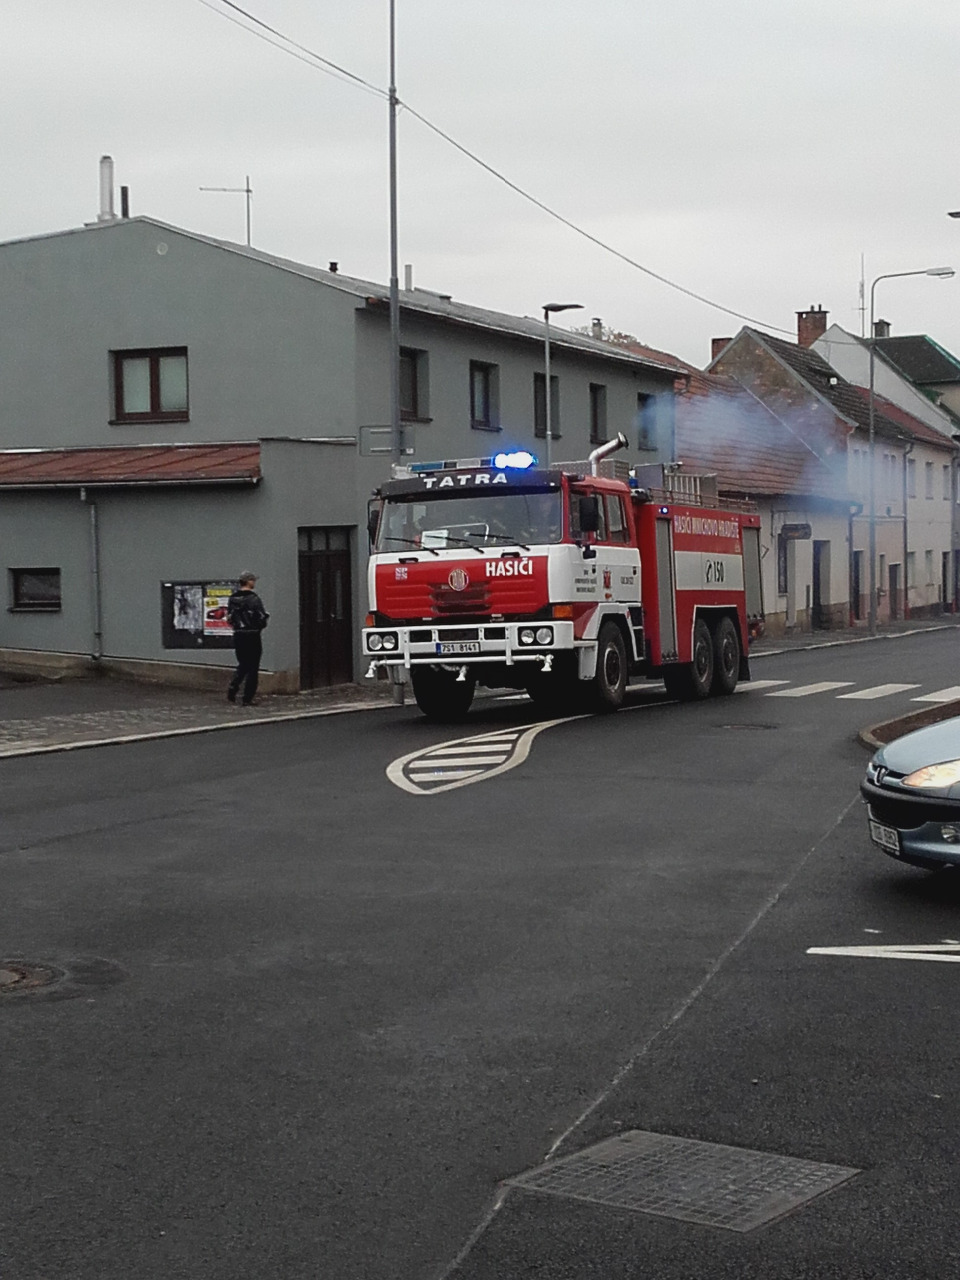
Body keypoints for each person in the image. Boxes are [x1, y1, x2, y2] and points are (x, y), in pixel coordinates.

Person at [226, 572, 269, 705]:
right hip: (252, 634)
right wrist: (264, 620)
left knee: (243, 663)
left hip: (239, 634)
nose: (254, 582)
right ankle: (247, 697)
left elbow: (230, 618)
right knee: (253, 667)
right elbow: (261, 618)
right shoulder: (254, 599)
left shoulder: (232, 598)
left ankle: (233, 687)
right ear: (248, 581)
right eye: (253, 580)